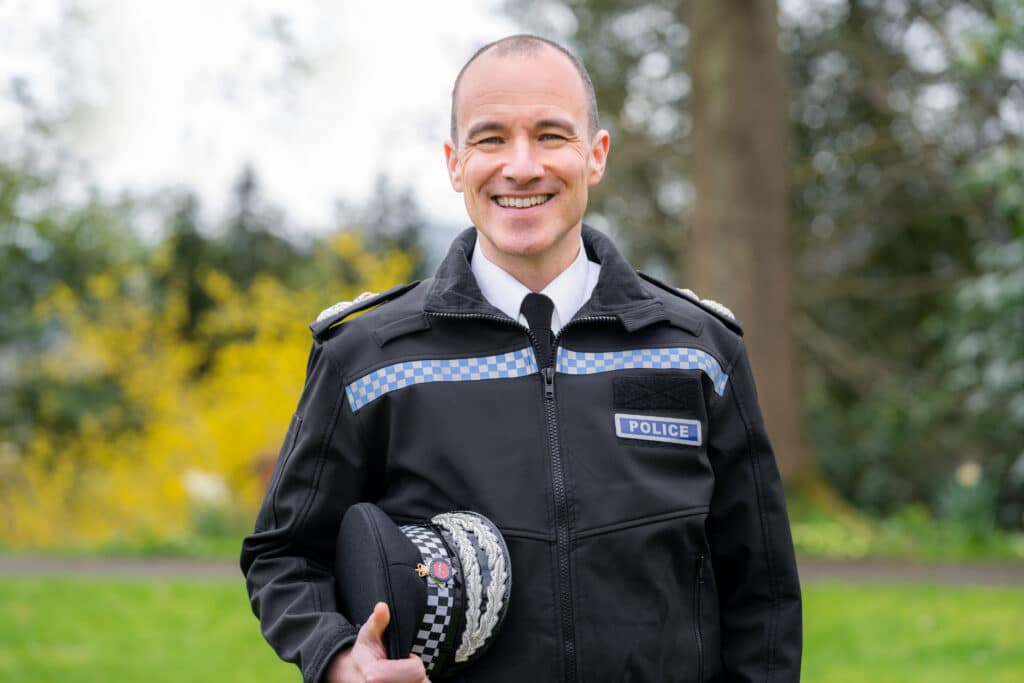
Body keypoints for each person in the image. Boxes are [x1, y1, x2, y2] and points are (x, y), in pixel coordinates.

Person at [241, 34, 802, 683]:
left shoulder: (699, 351)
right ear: (455, 164)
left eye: (551, 135)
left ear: (596, 155)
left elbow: (762, 599)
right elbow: (284, 555)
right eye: (490, 139)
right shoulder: (367, 358)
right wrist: (340, 656)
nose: (522, 165)